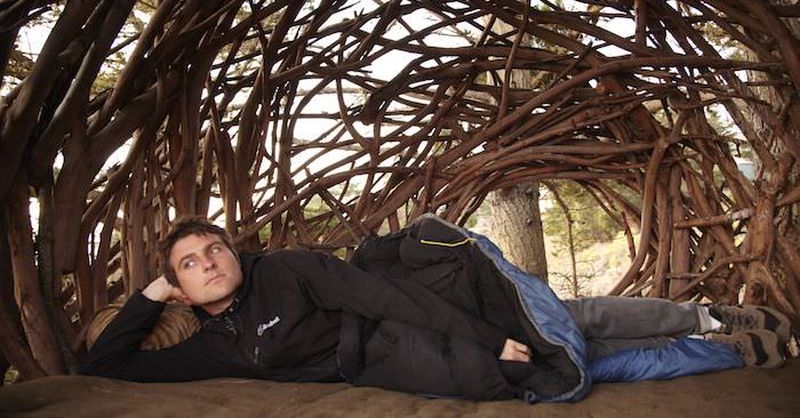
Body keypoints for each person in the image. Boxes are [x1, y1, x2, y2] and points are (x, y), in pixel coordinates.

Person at [82, 216, 791, 401]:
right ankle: (728, 346)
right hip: (406, 353)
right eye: (188, 264)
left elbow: (388, 294)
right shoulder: (218, 346)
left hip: (438, 308)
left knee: (574, 320)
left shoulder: (291, 272)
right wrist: (147, 295)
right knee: (580, 359)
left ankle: (709, 318)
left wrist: (485, 340)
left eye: (213, 249)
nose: (208, 263)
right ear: (180, 285)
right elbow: (108, 360)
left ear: (234, 251)